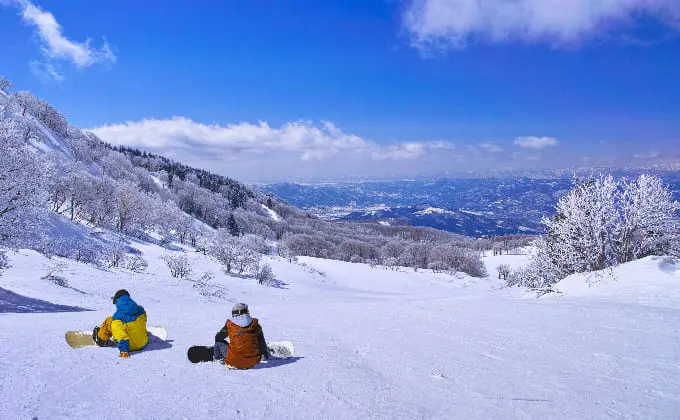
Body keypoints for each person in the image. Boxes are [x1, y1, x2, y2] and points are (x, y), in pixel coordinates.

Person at [92, 289, 148, 358]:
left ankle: (101, 339)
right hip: (143, 343)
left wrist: (124, 350)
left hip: (129, 347)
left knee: (109, 321)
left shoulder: (117, 317)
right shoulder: (141, 310)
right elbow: (143, 322)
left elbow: (120, 334)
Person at [214, 303, 270, 369]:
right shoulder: (255, 324)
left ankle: (219, 359)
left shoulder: (230, 324)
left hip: (234, 361)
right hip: (253, 362)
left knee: (218, 343)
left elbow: (218, 337)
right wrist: (264, 355)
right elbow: (261, 342)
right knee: (258, 339)